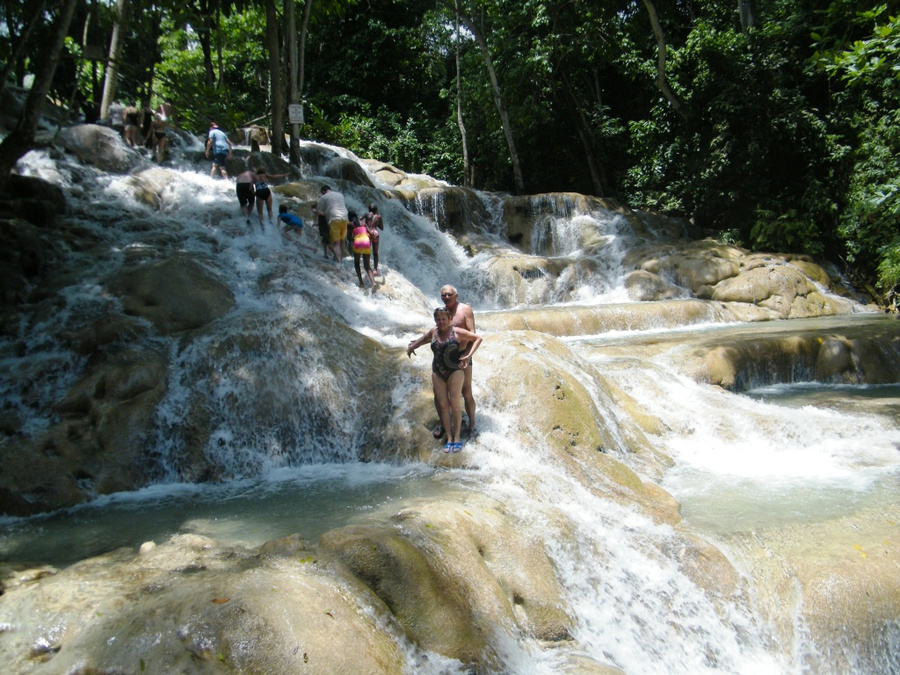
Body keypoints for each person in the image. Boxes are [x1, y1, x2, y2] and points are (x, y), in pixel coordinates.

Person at [407, 307, 482, 453]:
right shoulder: (433, 332)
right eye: (438, 319)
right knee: (443, 405)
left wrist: (468, 355)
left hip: (455, 371)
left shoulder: (457, 332)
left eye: (443, 319)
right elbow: (424, 339)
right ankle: (449, 438)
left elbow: (477, 338)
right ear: (435, 320)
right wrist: (412, 346)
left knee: (455, 404)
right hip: (438, 372)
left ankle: (457, 437)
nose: (441, 322)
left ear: (449, 320)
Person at [431, 285, 479, 440]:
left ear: (456, 295)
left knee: (466, 392)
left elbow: (473, 334)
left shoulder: (465, 310)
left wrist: (467, 355)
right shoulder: (441, 311)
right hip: (444, 359)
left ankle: (472, 425)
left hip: (462, 357)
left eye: (449, 294)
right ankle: (444, 424)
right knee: (439, 396)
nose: (446, 297)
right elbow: (437, 332)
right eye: (443, 295)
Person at [316, 185, 349, 265]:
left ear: (323, 191)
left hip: (335, 219)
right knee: (342, 241)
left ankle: (339, 263)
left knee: (336, 243)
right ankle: (340, 258)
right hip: (345, 218)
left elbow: (318, 211)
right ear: (330, 189)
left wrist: (314, 211)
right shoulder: (340, 195)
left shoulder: (324, 197)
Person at [349, 211, 376, 290]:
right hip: (366, 242)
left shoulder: (350, 224)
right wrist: (373, 237)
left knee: (357, 263)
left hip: (357, 243)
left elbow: (349, 238)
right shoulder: (363, 222)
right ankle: (373, 283)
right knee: (367, 266)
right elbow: (370, 233)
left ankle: (361, 283)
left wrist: (352, 240)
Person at [362, 203, 384, 275]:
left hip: (368, 234)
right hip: (375, 233)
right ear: (376, 210)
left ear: (369, 209)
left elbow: (360, 220)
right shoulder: (378, 216)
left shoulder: (366, 214)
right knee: (375, 253)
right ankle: (375, 270)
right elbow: (382, 228)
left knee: (367, 252)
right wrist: (377, 222)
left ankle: (367, 267)